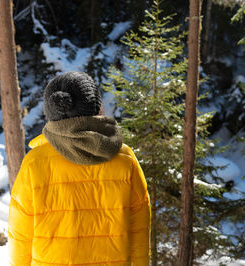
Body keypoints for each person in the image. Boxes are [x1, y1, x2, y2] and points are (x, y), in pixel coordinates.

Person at [8, 71, 151, 265]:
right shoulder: (124, 159)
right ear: (96, 107)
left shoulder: (34, 162)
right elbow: (140, 227)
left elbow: (20, 234)